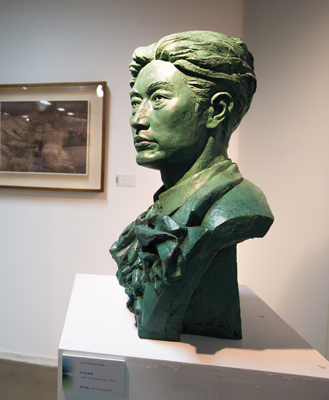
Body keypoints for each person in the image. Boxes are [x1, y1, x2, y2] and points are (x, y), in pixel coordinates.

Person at [109, 31, 273, 342]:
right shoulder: (161, 210)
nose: (137, 119)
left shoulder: (232, 210)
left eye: (158, 98)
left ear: (216, 110)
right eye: (136, 102)